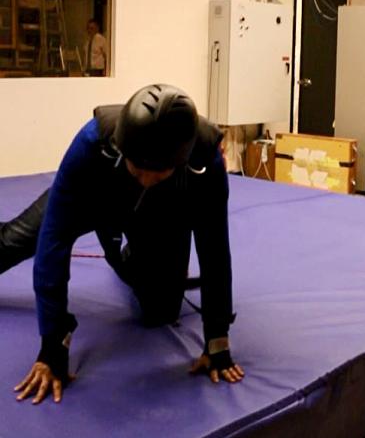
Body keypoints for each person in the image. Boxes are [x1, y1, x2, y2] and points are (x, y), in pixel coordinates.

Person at [0, 83, 243, 405]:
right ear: (122, 147)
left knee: (161, 311)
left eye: (157, 172)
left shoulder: (205, 160)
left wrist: (217, 338)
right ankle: (114, 235)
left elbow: (214, 249)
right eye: (138, 169)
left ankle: (124, 250)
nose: (144, 178)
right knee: (15, 240)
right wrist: (53, 344)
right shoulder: (92, 142)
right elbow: (53, 242)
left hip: (161, 212)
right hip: (94, 196)